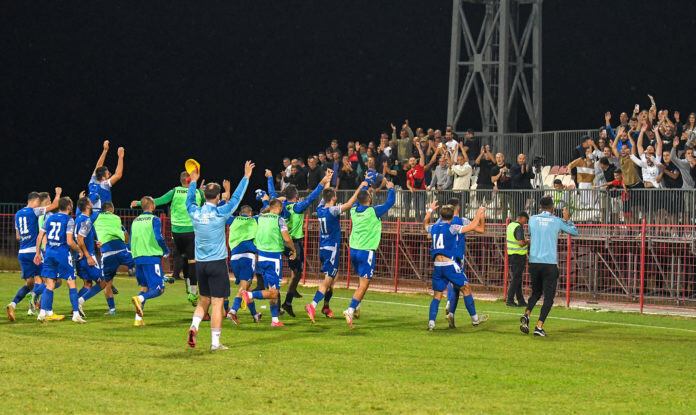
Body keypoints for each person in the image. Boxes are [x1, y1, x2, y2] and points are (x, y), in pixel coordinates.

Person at [186, 162, 252, 350]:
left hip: (201, 264)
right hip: (217, 264)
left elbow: (189, 200)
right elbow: (237, 198)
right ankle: (215, 343)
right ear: (217, 197)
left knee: (203, 300)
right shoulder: (220, 213)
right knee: (217, 304)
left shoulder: (195, 212)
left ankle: (194, 326)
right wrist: (246, 176)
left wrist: (193, 181)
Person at [131, 171, 205, 306]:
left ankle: (186, 284)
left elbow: (159, 201)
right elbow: (208, 202)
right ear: (190, 180)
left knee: (182, 258)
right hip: (191, 230)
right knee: (193, 261)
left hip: (176, 232)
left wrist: (138, 202)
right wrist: (201, 190)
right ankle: (192, 291)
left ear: (182, 180)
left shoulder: (175, 191)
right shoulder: (198, 192)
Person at [265, 169, 330, 317]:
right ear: (296, 195)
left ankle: (284, 300)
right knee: (297, 273)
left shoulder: (279, 205)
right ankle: (288, 300)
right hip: (292, 243)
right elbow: (312, 197)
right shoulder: (297, 207)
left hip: (278, 242)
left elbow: (272, 194)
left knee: (278, 273)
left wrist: (270, 178)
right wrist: (323, 181)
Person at [305, 182, 365, 323]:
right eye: (335, 195)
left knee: (334, 277)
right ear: (333, 198)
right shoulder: (332, 210)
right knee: (327, 281)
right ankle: (312, 305)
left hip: (323, 248)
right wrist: (360, 188)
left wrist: (327, 180)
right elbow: (349, 204)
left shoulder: (320, 208)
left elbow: (325, 195)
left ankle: (326, 306)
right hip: (332, 249)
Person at [423, 201, 488, 330]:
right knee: (466, 288)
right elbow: (474, 226)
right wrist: (479, 212)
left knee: (437, 295)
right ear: (452, 217)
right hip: (450, 264)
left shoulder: (434, 227)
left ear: (440, 216)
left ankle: (431, 323)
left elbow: (425, 223)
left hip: (437, 265)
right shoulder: (453, 228)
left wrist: (430, 210)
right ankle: (475, 319)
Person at [520, 196, 578, 337]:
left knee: (536, 292)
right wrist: (567, 219)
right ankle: (539, 326)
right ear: (552, 207)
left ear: (540, 206)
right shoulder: (556, 221)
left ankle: (527, 314)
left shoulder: (532, 219)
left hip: (534, 261)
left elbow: (532, 234)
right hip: (549, 263)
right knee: (549, 297)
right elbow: (574, 232)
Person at [342, 180, 396, 328]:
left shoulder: (353, 210)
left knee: (361, 282)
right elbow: (389, 203)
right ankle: (350, 309)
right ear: (370, 199)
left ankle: (357, 305)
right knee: (364, 285)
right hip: (366, 252)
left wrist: (364, 184)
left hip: (353, 250)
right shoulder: (373, 211)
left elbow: (357, 199)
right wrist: (391, 188)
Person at [240, 198, 297, 327]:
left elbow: (261, 214)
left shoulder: (260, 218)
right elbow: (287, 238)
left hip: (261, 257)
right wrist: (293, 249)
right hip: (273, 258)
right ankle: (248, 295)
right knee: (274, 292)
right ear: (280, 208)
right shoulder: (280, 220)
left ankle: (275, 320)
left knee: (272, 289)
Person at [7, 189, 60, 321]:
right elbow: (54, 206)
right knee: (53, 280)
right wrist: (58, 194)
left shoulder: (17, 214)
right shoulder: (34, 211)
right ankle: (47, 312)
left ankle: (12, 304)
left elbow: (18, 236)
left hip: (22, 253)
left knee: (30, 284)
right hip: (33, 252)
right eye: (39, 203)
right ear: (36, 201)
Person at [33, 197, 85, 323]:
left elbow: (40, 236)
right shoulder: (69, 220)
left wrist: (38, 253)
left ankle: (42, 314)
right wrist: (79, 250)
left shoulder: (50, 218)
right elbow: (69, 241)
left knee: (50, 284)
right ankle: (76, 315)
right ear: (68, 207)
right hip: (62, 253)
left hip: (49, 253)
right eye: (72, 204)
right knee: (71, 282)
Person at [79, 202, 135, 316]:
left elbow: (86, 225)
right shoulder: (116, 218)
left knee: (105, 283)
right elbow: (126, 236)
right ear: (112, 209)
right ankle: (160, 279)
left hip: (107, 253)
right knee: (140, 263)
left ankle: (110, 309)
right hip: (121, 250)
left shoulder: (96, 216)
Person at [129, 196, 171, 327]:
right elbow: (158, 237)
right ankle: (139, 298)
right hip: (151, 257)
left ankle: (138, 319)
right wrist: (166, 250)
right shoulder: (155, 219)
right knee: (159, 289)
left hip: (138, 258)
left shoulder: (135, 221)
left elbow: (130, 241)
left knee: (144, 288)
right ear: (152, 206)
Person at [224, 205, 262, 324]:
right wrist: (265, 201)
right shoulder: (255, 219)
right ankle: (233, 311)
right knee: (243, 288)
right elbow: (266, 212)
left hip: (234, 258)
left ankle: (255, 315)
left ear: (240, 214)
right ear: (250, 213)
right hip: (247, 257)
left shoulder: (233, 219)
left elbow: (223, 213)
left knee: (247, 287)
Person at [73, 197, 103, 314]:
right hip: (87, 257)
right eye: (90, 202)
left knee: (87, 284)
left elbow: (77, 237)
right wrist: (88, 256)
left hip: (78, 257)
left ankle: (75, 308)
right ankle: (80, 301)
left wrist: (94, 241)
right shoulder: (87, 220)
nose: (92, 204)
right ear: (88, 206)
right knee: (103, 282)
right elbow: (80, 239)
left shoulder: (77, 219)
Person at [86, 140, 124, 214]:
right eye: (108, 174)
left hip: (92, 216)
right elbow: (118, 174)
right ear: (103, 178)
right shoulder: (104, 185)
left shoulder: (91, 183)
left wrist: (105, 150)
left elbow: (98, 167)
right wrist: (120, 157)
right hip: (103, 216)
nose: (110, 175)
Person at [506, 212, 529, 307]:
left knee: (517, 279)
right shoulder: (518, 227)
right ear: (521, 218)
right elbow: (520, 242)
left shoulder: (510, 225)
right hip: (518, 256)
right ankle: (510, 299)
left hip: (512, 255)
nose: (525, 222)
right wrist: (528, 241)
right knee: (516, 279)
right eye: (525, 220)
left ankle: (520, 300)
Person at [491, 152, 513, 221]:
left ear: (503, 158)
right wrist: (499, 173)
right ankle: (504, 224)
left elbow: (514, 174)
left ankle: (515, 223)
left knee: (513, 208)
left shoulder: (508, 165)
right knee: (504, 209)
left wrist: (508, 171)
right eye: (497, 158)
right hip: (501, 191)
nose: (498, 159)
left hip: (511, 190)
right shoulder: (494, 169)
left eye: (500, 157)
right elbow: (493, 180)